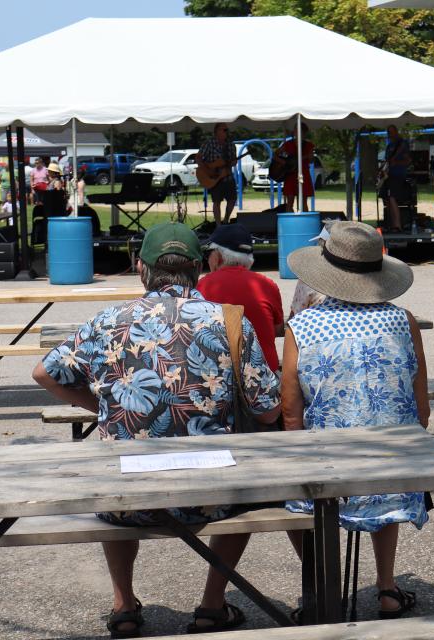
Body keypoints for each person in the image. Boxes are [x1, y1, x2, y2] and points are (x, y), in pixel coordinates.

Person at [32, 222, 281, 638]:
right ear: (199, 268)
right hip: (213, 495)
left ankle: (124, 605)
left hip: (129, 500)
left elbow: (44, 373)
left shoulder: (108, 320)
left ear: (141, 268)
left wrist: (102, 407)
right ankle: (211, 605)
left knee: (114, 473)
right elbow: (268, 411)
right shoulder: (229, 321)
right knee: (249, 491)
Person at [282, 221, 430, 619]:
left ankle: (322, 586)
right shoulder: (405, 321)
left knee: (289, 497)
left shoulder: (301, 327)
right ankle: (387, 587)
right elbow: (422, 409)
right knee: (387, 463)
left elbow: (292, 413)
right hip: (393, 470)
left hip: (328, 471)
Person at [197, 224, 284, 372]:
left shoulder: (203, 286)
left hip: (220, 376)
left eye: (208, 253)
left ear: (217, 256)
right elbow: (277, 329)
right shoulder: (267, 285)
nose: (207, 259)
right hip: (265, 375)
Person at [198, 123, 238, 225]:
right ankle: (218, 225)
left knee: (232, 199)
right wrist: (208, 170)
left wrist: (233, 162)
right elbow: (198, 158)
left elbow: (234, 161)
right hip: (214, 178)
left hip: (228, 177)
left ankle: (225, 220)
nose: (226, 132)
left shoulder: (230, 145)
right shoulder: (209, 143)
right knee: (217, 201)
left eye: (226, 130)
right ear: (216, 131)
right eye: (223, 130)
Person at [381, 125, 412, 232]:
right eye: (389, 132)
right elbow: (387, 161)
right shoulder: (389, 146)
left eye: (392, 132)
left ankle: (397, 225)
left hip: (398, 175)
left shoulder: (402, 144)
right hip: (388, 176)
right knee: (386, 199)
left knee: (392, 198)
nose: (390, 134)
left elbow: (408, 161)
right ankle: (391, 224)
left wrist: (397, 162)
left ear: (396, 132)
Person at [278, 123, 314, 212]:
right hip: (290, 175)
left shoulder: (308, 145)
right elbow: (275, 155)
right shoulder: (287, 144)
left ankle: (304, 222)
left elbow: (311, 160)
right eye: (296, 130)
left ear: (305, 133)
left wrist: (308, 157)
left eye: (301, 131)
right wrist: (283, 162)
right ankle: (289, 222)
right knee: (289, 201)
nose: (297, 133)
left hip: (303, 174)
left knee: (303, 202)